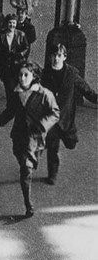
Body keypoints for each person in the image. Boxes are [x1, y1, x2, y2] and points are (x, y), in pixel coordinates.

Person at [0, 62, 60, 218]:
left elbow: (55, 113)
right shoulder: (16, 93)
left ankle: (28, 205)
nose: (22, 78)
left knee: (26, 168)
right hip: (18, 135)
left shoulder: (44, 94)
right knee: (21, 158)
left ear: (34, 76)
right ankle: (28, 167)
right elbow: (11, 110)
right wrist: (0, 120)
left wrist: (43, 125)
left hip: (34, 136)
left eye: (26, 75)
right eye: (20, 75)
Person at [41, 44, 97, 185]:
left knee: (71, 143)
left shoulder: (71, 74)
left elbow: (86, 90)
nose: (56, 58)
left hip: (66, 117)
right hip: (50, 118)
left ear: (64, 57)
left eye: (59, 55)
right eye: (53, 55)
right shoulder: (44, 74)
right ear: (50, 57)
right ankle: (52, 174)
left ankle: (63, 140)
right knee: (53, 147)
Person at [0, 14, 29, 109]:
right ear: (7, 23)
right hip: (5, 66)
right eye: (10, 23)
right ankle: (10, 105)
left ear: (16, 23)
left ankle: (14, 105)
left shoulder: (21, 34)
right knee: (8, 86)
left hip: (17, 65)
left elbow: (26, 47)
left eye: (14, 23)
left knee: (16, 84)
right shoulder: (1, 36)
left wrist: (20, 54)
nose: (12, 25)